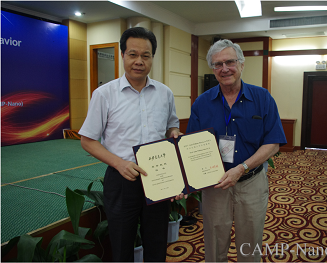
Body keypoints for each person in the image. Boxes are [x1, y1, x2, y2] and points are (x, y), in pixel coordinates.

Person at [79, 27, 183, 262]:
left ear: (152, 58)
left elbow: (171, 126)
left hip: (159, 177)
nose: (139, 61)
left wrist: (174, 132)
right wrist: (120, 163)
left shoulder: (164, 93)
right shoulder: (104, 94)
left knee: (157, 242)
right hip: (121, 178)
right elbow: (87, 140)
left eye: (145, 56)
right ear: (123, 55)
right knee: (122, 243)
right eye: (133, 54)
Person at [186, 39, 287, 262]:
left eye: (230, 62)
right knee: (213, 243)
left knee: (250, 245)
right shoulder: (202, 103)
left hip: (251, 181)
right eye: (218, 64)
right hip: (215, 185)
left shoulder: (262, 98)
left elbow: (273, 143)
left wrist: (241, 168)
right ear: (213, 69)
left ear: (241, 64)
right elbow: (190, 146)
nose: (225, 69)